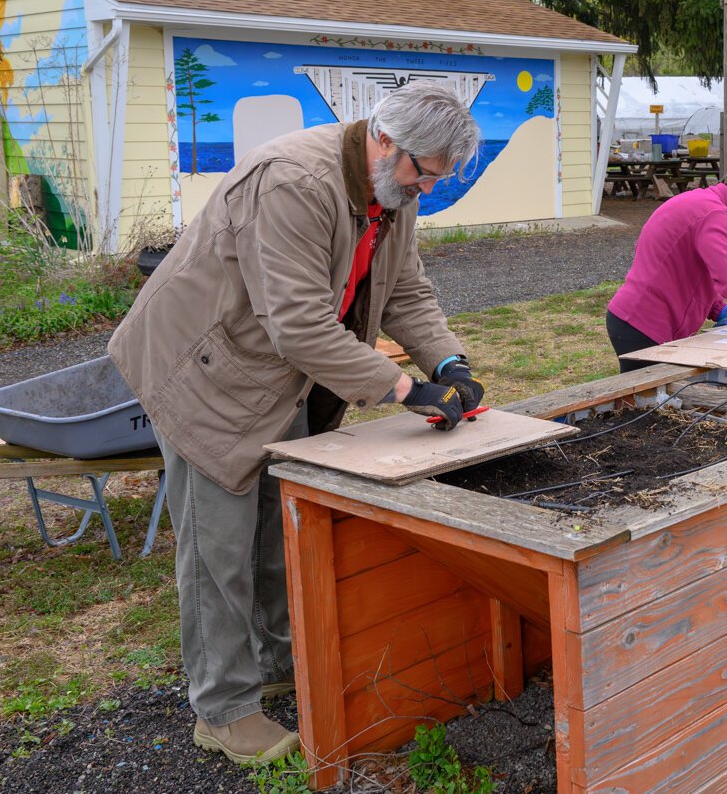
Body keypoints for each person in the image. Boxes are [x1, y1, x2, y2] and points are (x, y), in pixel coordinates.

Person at [109, 82, 486, 766]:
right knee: (217, 548)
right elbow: (299, 324)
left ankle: (279, 660)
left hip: (270, 377)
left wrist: (449, 362)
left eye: (437, 177)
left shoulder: (389, 193)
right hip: (203, 369)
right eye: (424, 173)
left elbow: (404, 289)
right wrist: (404, 386)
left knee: (275, 527)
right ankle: (223, 708)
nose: (427, 188)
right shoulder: (293, 182)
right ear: (384, 139)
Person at [606, 164, 727, 371]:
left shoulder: (703, 203)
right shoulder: (715, 213)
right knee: (649, 401)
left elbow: (690, 269)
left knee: (654, 399)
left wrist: (718, 309)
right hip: (644, 325)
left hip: (635, 320)